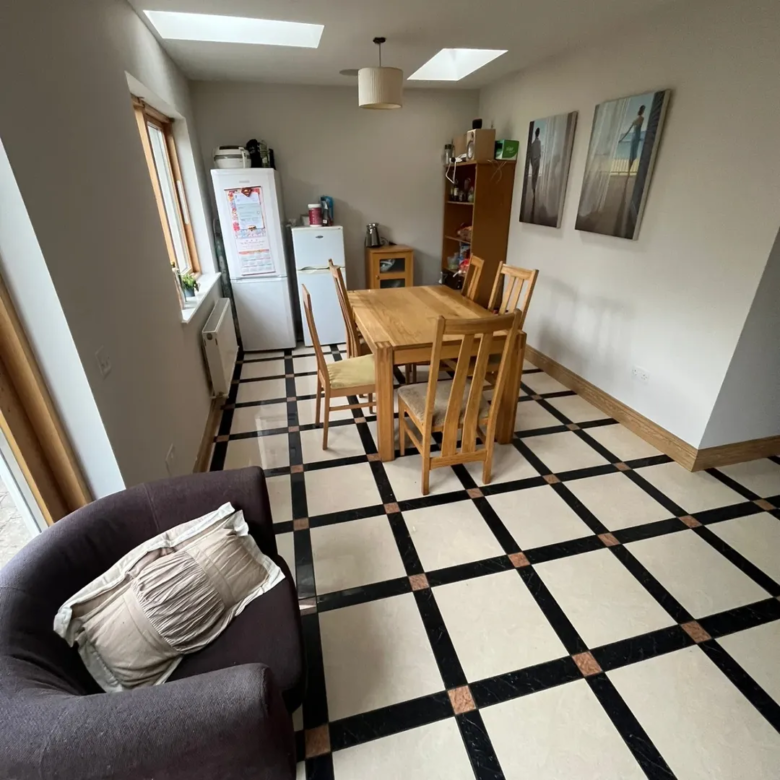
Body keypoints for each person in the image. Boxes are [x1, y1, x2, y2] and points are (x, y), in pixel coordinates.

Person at [620, 105, 645, 173]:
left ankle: (629, 170)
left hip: (635, 137)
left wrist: (622, 139)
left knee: (632, 154)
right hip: (636, 138)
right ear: (642, 111)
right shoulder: (641, 119)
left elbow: (628, 131)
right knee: (633, 154)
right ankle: (629, 171)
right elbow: (632, 130)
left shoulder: (636, 120)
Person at [530, 127, 542, 194]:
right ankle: (533, 187)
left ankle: (533, 187)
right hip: (536, 160)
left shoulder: (535, 143)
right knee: (535, 174)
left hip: (535, 160)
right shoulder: (535, 143)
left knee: (534, 174)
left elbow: (538, 153)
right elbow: (538, 153)